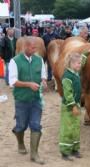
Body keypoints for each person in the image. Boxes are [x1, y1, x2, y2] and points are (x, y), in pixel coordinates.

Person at [9, 37, 47, 165]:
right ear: (25, 47)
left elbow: (43, 76)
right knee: (21, 126)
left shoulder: (39, 60)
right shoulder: (15, 61)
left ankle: (34, 154)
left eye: (35, 47)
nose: (35, 49)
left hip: (36, 99)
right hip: (21, 100)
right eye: (32, 47)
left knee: (36, 125)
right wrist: (29, 84)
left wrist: (43, 82)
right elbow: (12, 82)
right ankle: (20, 142)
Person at [59, 48, 90, 160]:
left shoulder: (75, 71)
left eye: (79, 63)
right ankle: (65, 152)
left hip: (76, 105)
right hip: (69, 107)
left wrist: (89, 51)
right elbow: (67, 94)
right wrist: (73, 106)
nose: (80, 65)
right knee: (67, 128)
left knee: (76, 128)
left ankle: (75, 149)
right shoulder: (67, 77)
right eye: (78, 63)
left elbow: (83, 60)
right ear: (71, 64)